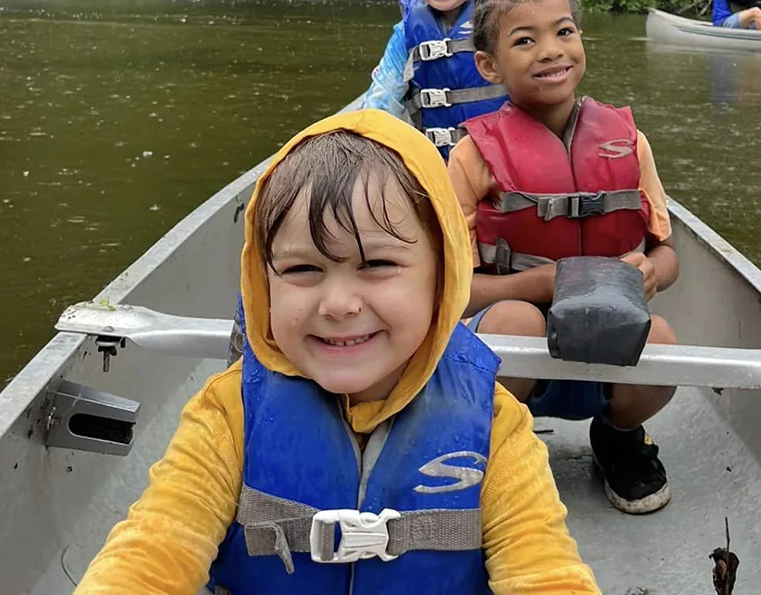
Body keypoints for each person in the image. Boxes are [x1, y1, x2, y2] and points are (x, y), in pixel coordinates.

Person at [73, 110, 601, 595]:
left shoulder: (498, 427)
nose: (340, 304)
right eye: (303, 270)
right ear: (264, 285)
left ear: (442, 277)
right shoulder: (227, 417)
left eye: (377, 266)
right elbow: (148, 556)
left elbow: (545, 573)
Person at [447, 0, 681, 516]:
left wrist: (651, 273)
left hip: (611, 337)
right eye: (525, 40)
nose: (551, 50)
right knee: (516, 320)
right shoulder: (473, 155)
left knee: (666, 342)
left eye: (564, 32)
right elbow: (445, 288)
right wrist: (539, 283)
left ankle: (619, 435)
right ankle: (498, 442)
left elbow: (666, 253)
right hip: (515, 348)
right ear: (489, 64)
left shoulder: (629, 141)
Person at [359, 0, 508, 157]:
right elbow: (380, 105)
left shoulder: (505, 22)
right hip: (437, 168)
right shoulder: (406, 34)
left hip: (501, 166)